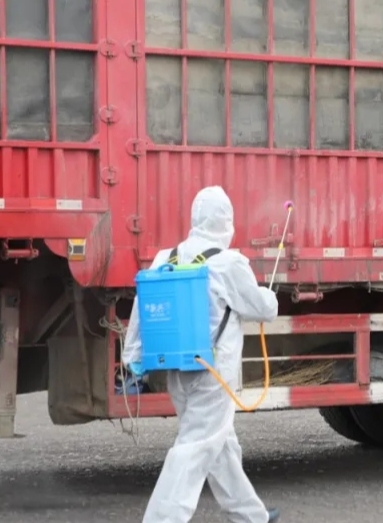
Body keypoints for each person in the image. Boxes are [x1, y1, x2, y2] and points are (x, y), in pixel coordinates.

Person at [122, 185, 281, 523]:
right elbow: (262, 308)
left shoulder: (166, 257)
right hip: (215, 376)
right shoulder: (229, 263)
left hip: (178, 371)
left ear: (195, 218)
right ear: (226, 221)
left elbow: (143, 306)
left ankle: (252, 516)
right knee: (195, 448)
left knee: (220, 446)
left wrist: (132, 353)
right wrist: (270, 296)